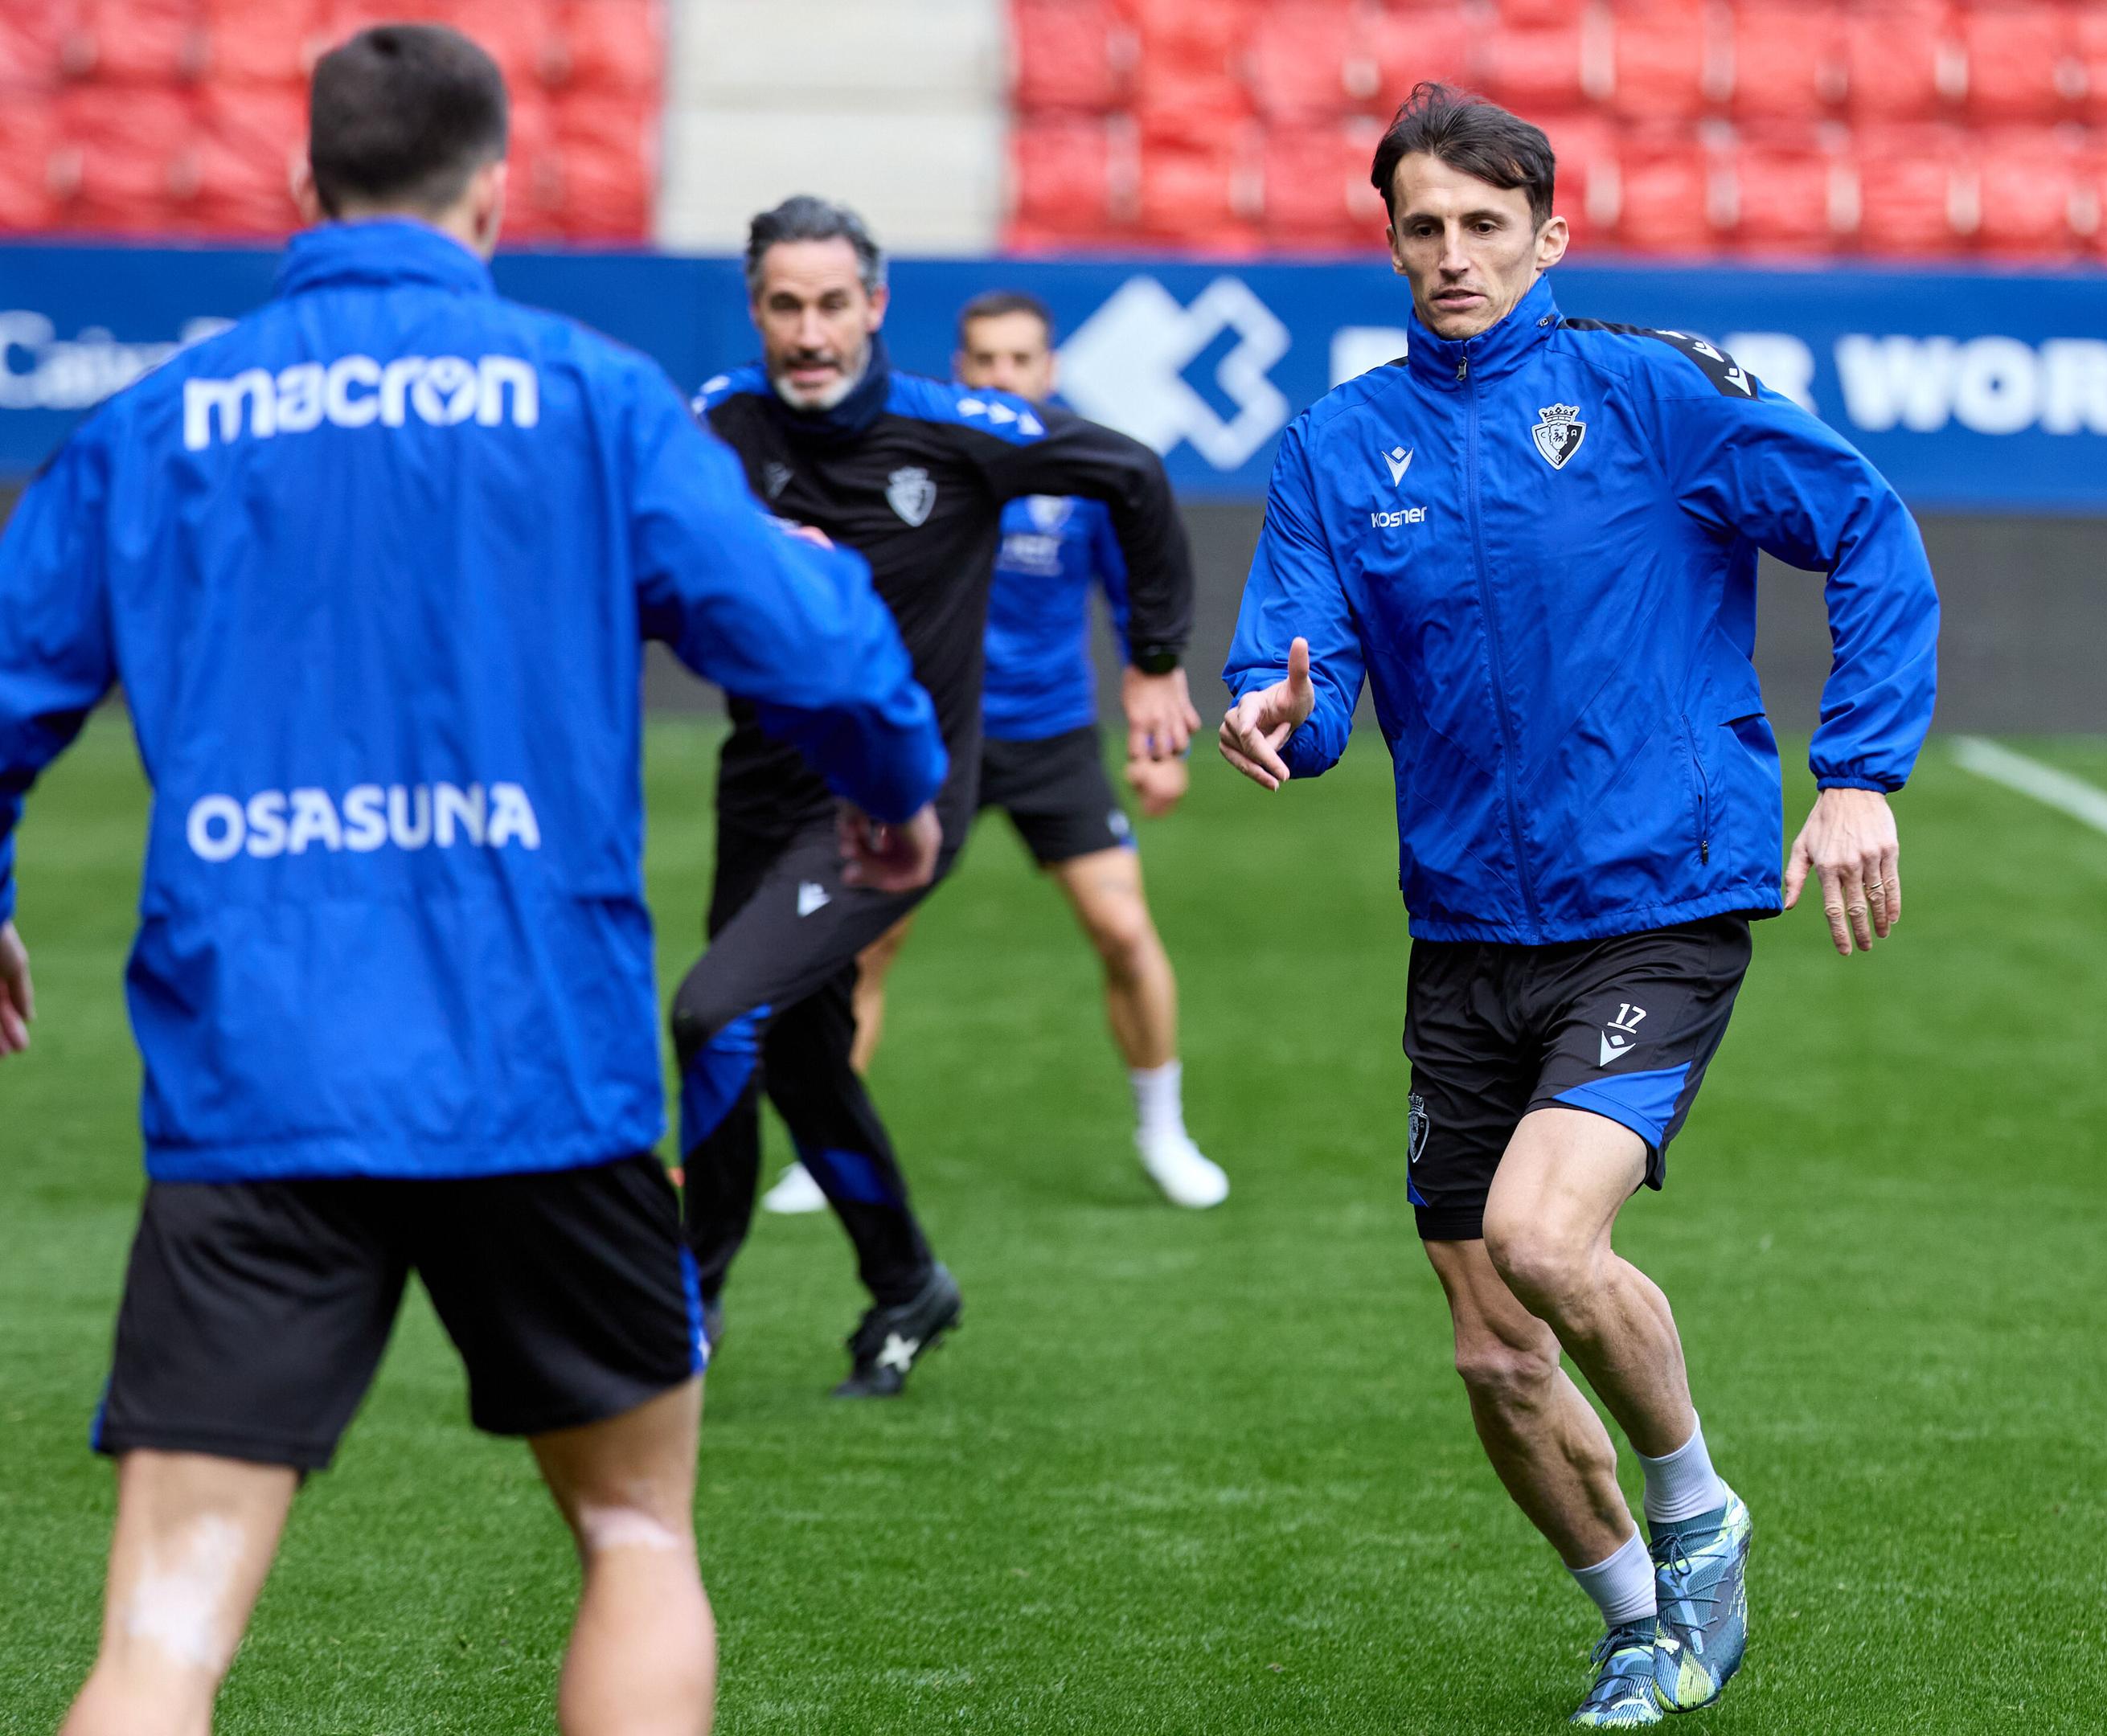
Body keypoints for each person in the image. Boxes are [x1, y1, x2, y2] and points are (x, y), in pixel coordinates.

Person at [0, 27, 948, 1736]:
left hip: (259, 1078)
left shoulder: (158, 421)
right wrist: (893, 795)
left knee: (160, 1640)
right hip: (544, 1070)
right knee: (637, 1533)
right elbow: (809, 633)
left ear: (302, 186)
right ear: (497, 195)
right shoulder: (592, 400)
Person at [1217, 84, 1939, 1729]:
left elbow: (1870, 533)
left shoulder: (1655, 393)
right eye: (1424, 227)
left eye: (1486, 224)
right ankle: (1636, 1622)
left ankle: (1698, 1514)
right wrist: (1274, 715)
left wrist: (1862, 769)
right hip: (1466, 931)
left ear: (1552, 231)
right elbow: (1295, 669)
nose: (1454, 254)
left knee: (1549, 1237)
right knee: (1490, 1351)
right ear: (1389, 239)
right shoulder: (1340, 445)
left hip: (1659, 899)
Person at [677, 195, 1199, 1398]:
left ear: (875, 307)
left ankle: (685, 1310)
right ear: (757, 309)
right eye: (783, 305)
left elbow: (1133, 475)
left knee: (712, 1016)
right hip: (757, 793)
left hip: (889, 808)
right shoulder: (716, 425)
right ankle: (907, 1282)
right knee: (800, 1058)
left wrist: (1157, 658)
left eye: (831, 304)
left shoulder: (958, 429)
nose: (808, 332)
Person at [770, 289, 1226, 1216]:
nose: (1002, 377)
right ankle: (824, 1151)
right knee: (867, 943)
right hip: (929, 738)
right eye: (984, 360)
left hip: (1053, 737)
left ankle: (1163, 1130)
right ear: (959, 367)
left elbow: (1136, 602)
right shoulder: (918, 461)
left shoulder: (1084, 471)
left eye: (1021, 360)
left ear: (1049, 370)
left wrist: (1159, 743)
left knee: (1124, 933)